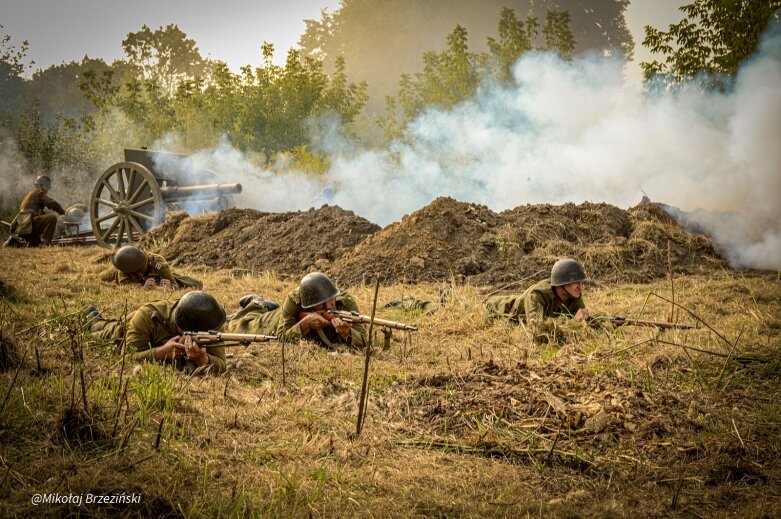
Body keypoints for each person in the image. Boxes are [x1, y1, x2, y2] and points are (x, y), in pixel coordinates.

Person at [86, 291, 227, 373]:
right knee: (95, 334)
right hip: (122, 331)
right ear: (182, 329)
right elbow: (127, 357)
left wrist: (203, 360)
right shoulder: (146, 316)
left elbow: (221, 362)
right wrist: (161, 352)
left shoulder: (209, 321)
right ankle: (91, 318)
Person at [226, 272, 368, 349]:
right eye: (321, 305)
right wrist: (305, 324)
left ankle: (264, 305)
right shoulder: (295, 299)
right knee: (237, 325)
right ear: (310, 305)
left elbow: (363, 339)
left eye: (330, 300)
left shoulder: (346, 302)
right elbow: (281, 338)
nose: (328, 306)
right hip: (272, 321)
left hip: (281, 312)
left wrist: (346, 333)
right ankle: (256, 303)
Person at [484, 258, 590, 327]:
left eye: (581, 282)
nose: (580, 287)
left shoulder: (573, 294)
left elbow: (583, 320)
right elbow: (536, 329)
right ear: (561, 284)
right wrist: (573, 323)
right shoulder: (537, 295)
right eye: (575, 282)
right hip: (495, 309)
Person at [100, 245, 202, 290]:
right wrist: (142, 287)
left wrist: (170, 287)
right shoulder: (125, 265)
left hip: (162, 276)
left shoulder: (159, 264)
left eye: (139, 271)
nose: (138, 274)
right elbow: (125, 285)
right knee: (103, 278)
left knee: (192, 283)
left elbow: (174, 284)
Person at [6, 175, 65, 246]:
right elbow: (52, 204)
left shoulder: (29, 193)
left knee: (35, 244)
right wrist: (64, 213)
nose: (48, 190)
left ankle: (21, 243)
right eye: (48, 187)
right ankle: (46, 244)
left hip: (23, 226)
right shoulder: (39, 193)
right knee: (52, 218)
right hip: (28, 225)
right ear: (43, 186)